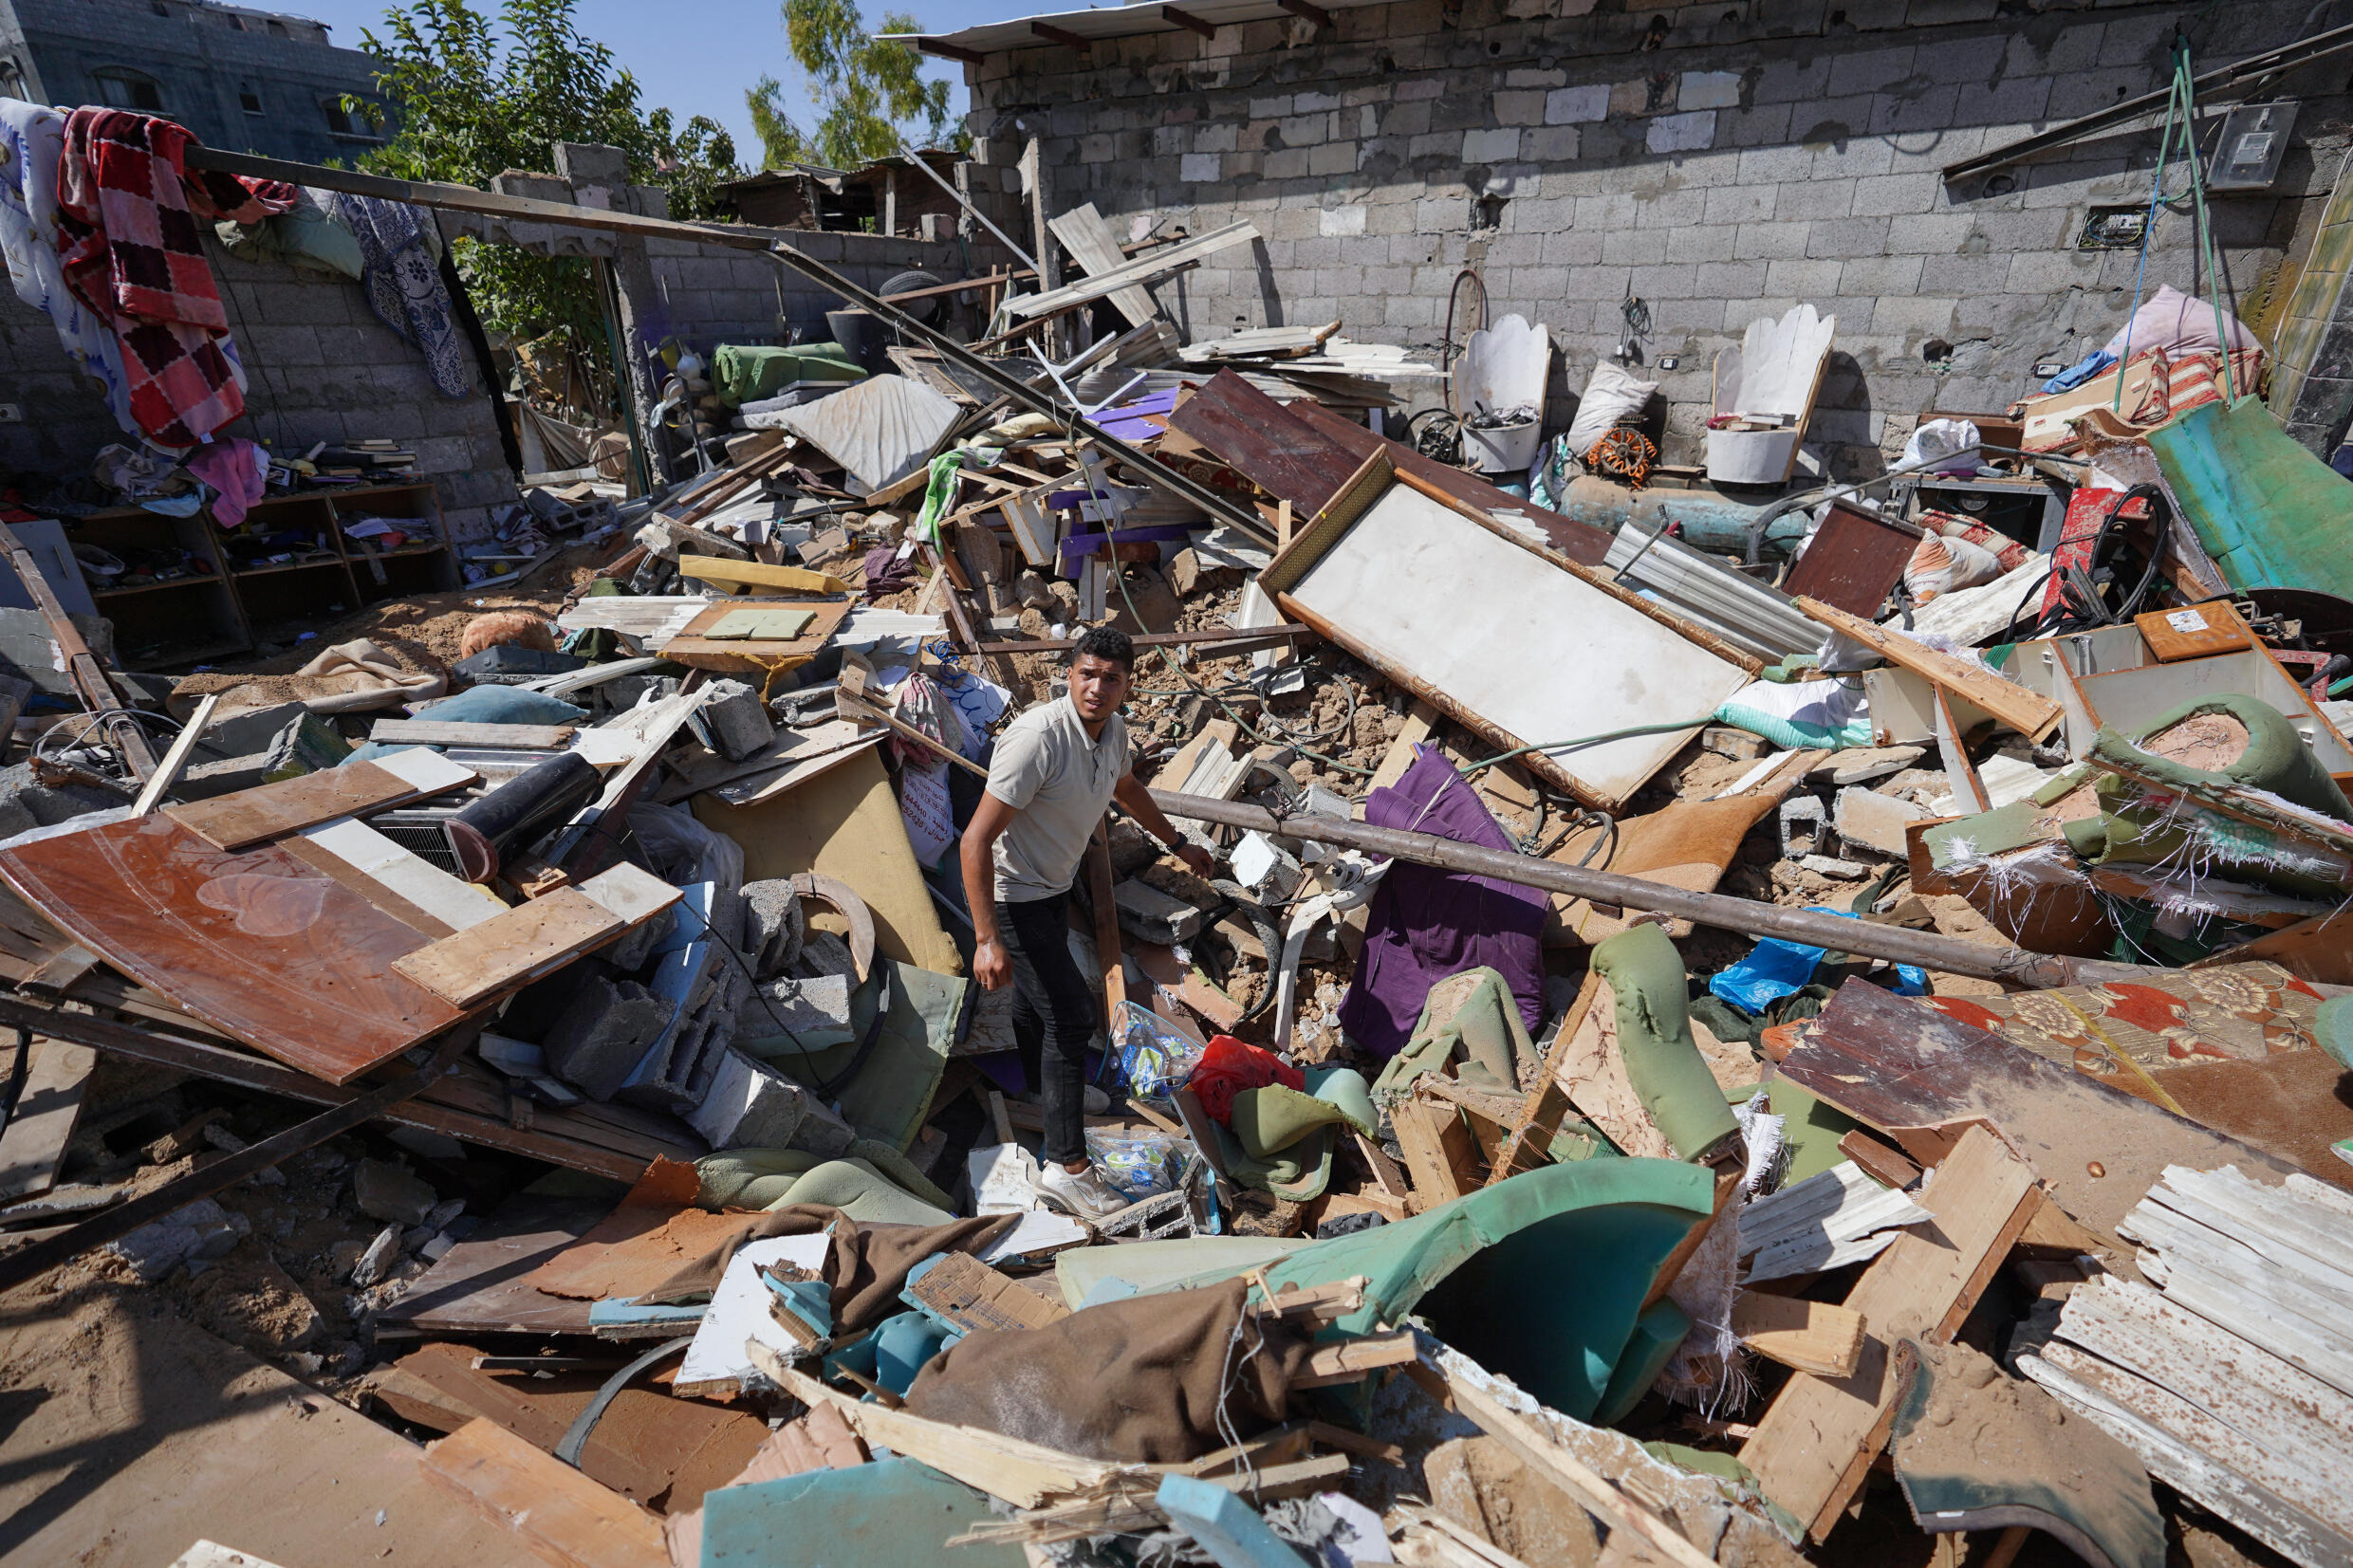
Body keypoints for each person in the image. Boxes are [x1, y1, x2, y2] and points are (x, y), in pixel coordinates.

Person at [958, 625, 1215, 1220]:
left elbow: (1126, 788)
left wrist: (1177, 841)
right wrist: (986, 938)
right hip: (1011, 896)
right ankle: (1065, 1165)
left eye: (1111, 678)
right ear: (1069, 674)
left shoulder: (1113, 732)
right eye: (1087, 673)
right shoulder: (1037, 740)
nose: (1097, 687)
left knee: (1037, 1005)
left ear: (1128, 686)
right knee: (1072, 1017)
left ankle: (1034, 1093)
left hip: (1051, 886)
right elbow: (974, 841)